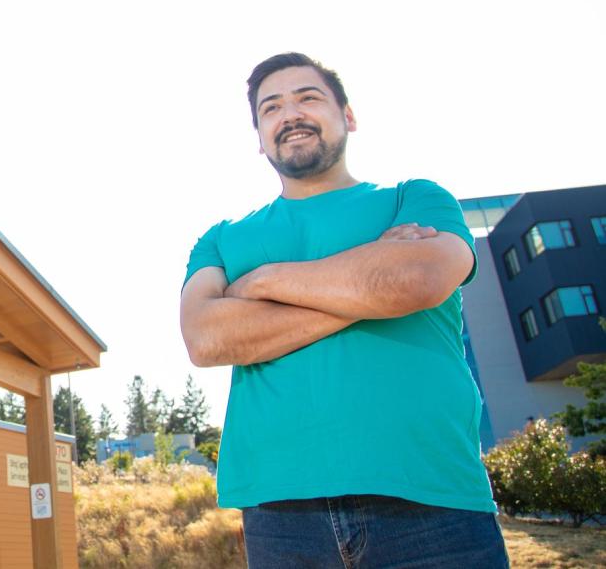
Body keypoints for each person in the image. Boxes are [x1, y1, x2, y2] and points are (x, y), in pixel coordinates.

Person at [179, 52, 508, 568]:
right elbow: (206, 338)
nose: (290, 114)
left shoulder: (414, 197)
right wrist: (371, 287)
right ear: (260, 137)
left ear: (348, 116)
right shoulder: (221, 238)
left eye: (307, 98)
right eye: (271, 108)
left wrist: (263, 282)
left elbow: (419, 278)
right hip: (280, 511)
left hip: (430, 500)